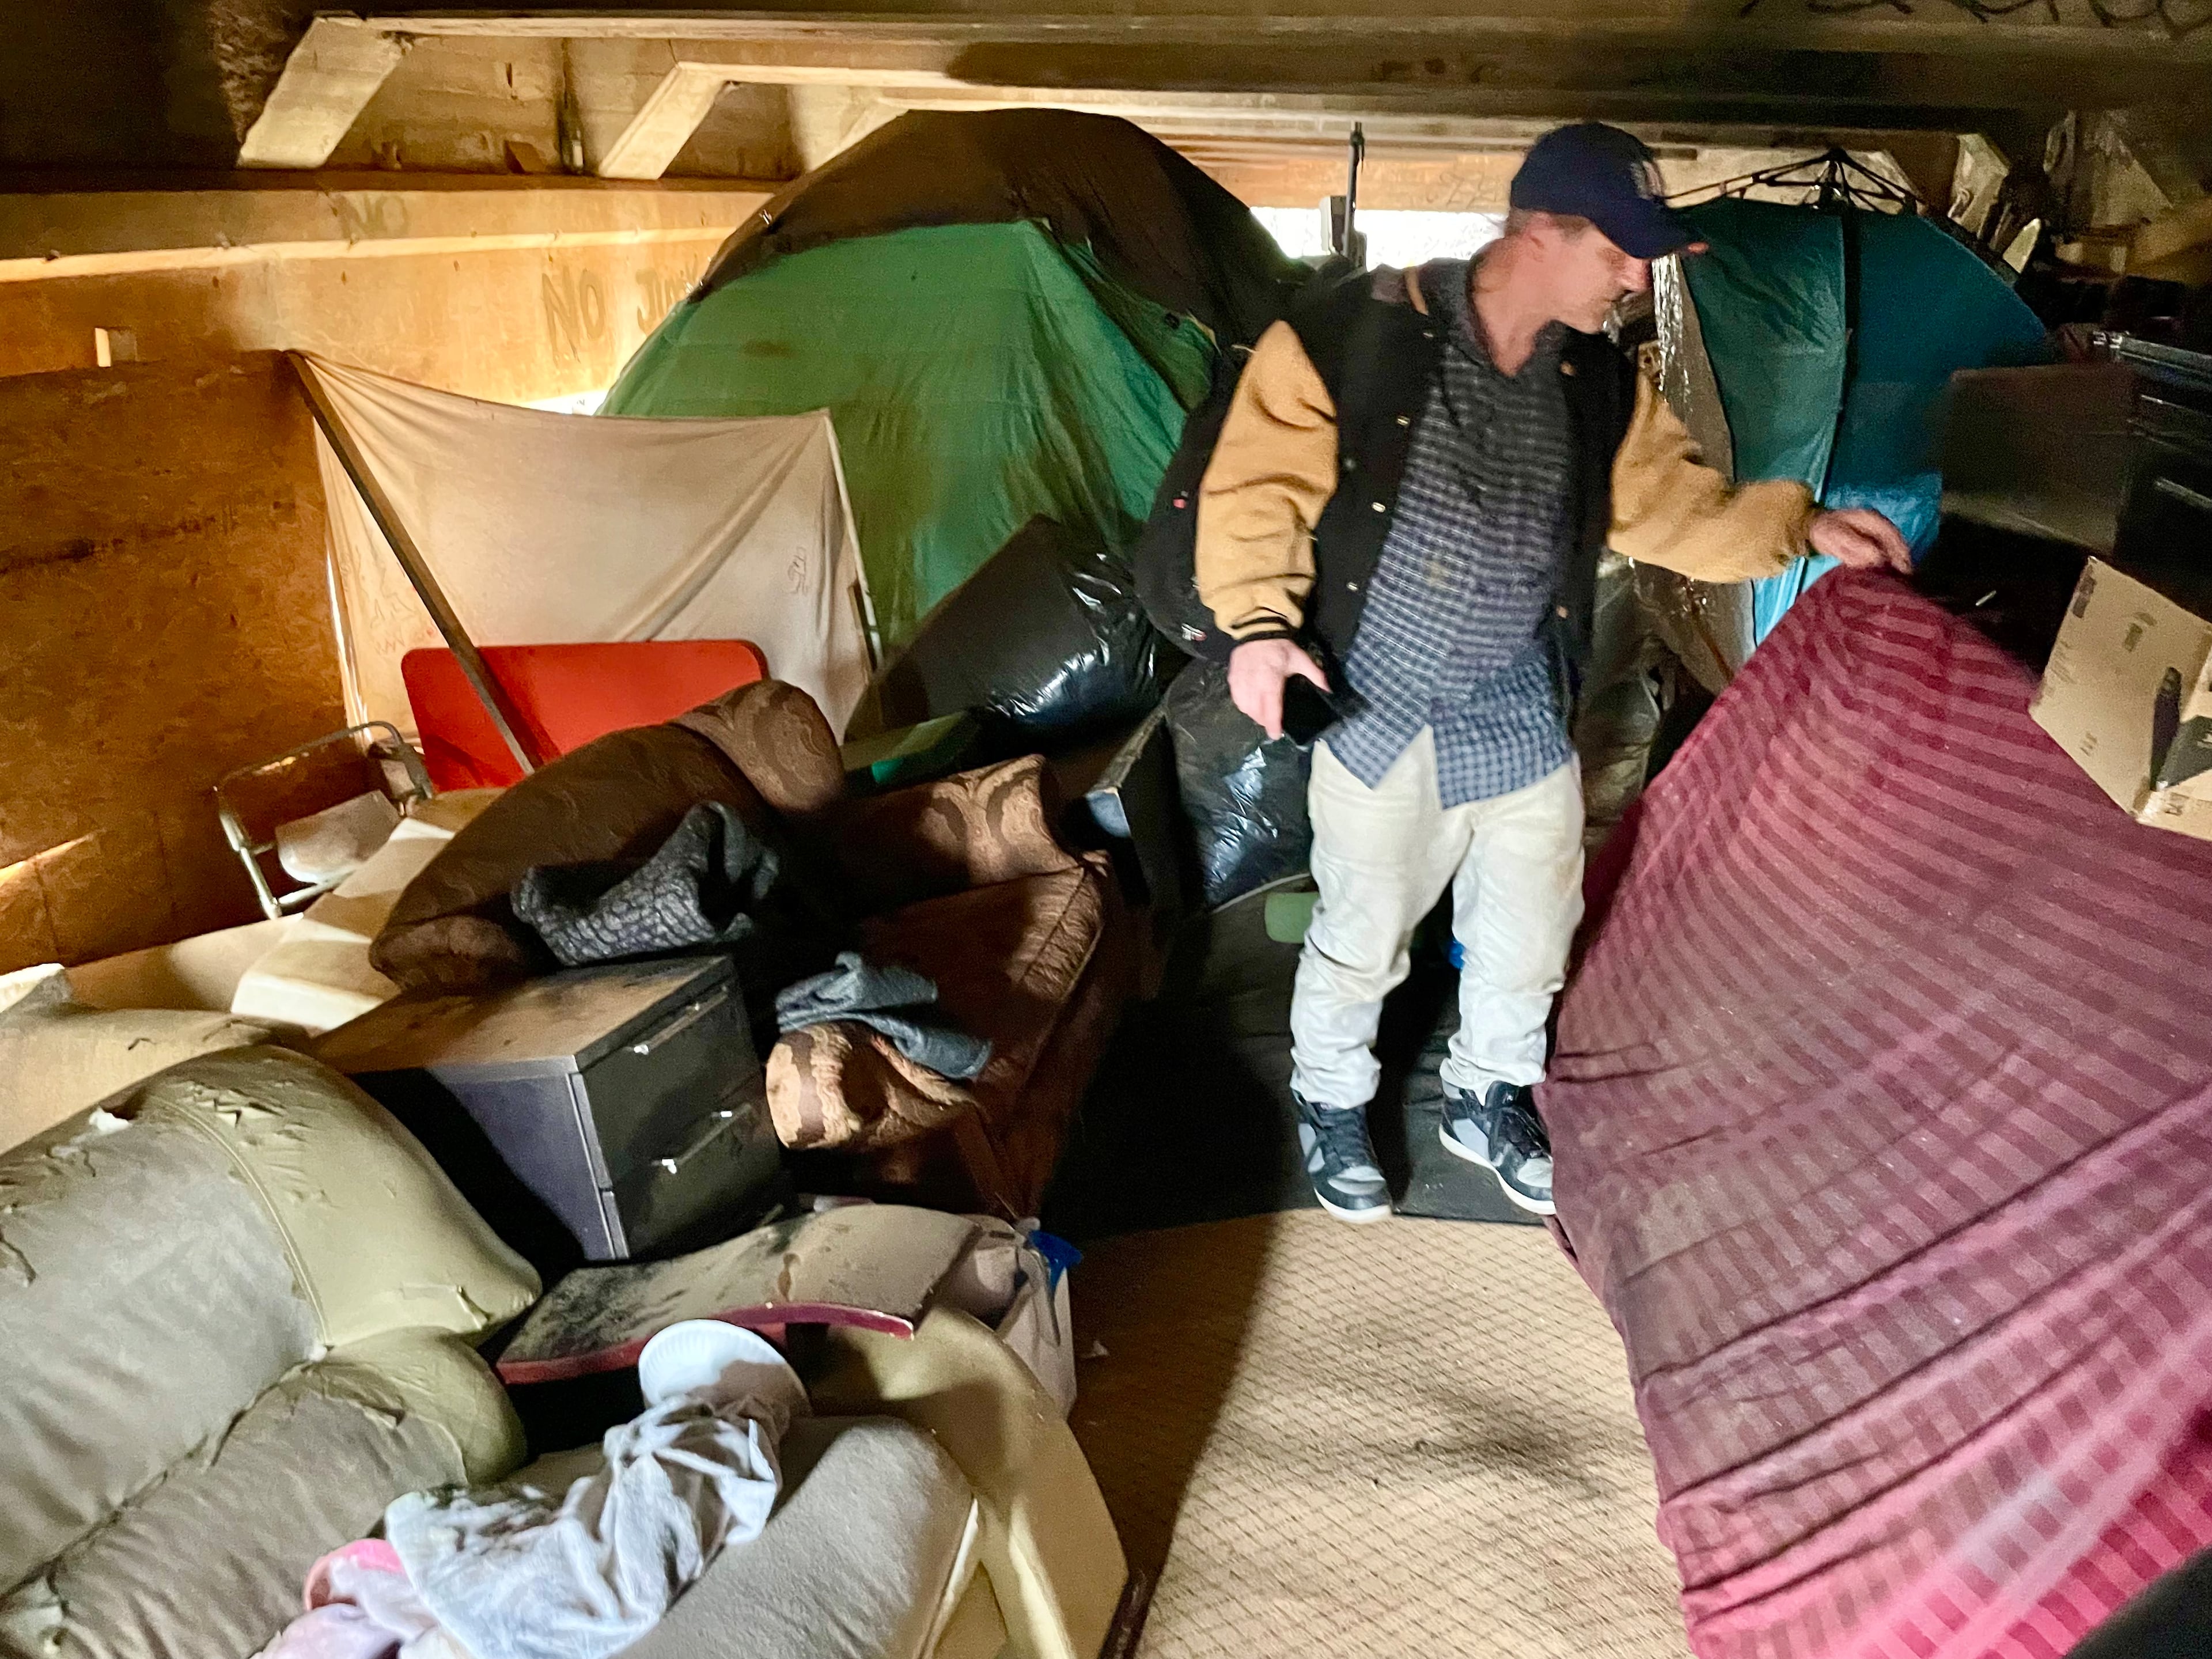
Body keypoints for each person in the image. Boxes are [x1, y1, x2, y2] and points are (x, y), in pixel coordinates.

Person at [1194, 122, 1909, 1225]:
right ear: (1538, 230)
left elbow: (1673, 507)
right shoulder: (1350, 336)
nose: (1639, 273)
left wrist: (1803, 528)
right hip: (1384, 713)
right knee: (1363, 932)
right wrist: (1258, 625)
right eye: (1617, 250)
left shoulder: (1597, 384)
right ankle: (1332, 1095)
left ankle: (1485, 1093)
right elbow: (1257, 492)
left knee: (1532, 933)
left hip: (1522, 712)